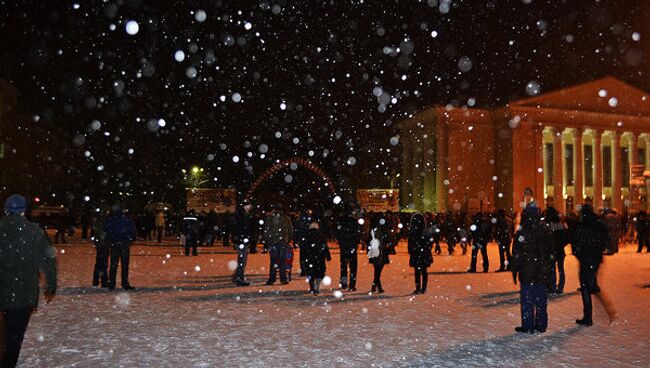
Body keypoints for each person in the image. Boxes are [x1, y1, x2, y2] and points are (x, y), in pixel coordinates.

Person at [0, 194, 57, 368]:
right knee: (14, 336)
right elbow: (48, 260)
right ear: (24, 211)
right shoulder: (34, 231)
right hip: (22, 292)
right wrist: (51, 283)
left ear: (6, 210)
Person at [511, 203, 553, 334]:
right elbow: (552, 252)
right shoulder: (545, 230)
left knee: (527, 300)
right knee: (540, 300)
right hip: (541, 272)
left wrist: (515, 270)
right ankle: (541, 324)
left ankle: (528, 324)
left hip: (527, 271)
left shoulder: (522, 232)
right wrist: (548, 267)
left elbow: (516, 254)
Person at [572, 204, 610, 326]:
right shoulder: (598, 225)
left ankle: (588, 317)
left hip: (586, 260)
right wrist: (598, 251)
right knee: (590, 284)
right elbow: (606, 240)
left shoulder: (581, 226)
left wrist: (581, 256)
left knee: (585, 288)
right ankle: (602, 308)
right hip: (595, 259)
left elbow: (575, 245)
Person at [104, 204, 137, 291]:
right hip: (124, 243)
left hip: (115, 243)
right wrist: (131, 238)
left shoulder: (112, 219)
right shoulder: (126, 219)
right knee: (124, 265)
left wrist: (111, 238)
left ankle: (112, 283)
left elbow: (107, 229)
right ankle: (124, 283)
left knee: (113, 264)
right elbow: (132, 230)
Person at [264, 207, 294, 285]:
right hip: (283, 242)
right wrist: (288, 239)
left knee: (273, 261)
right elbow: (291, 230)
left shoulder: (270, 218)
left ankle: (272, 278)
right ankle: (283, 278)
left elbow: (266, 230)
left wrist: (268, 241)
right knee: (282, 261)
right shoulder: (287, 218)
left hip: (273, 242)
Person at [334, 209, 361, 291]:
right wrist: (356, 242)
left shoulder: (340, 221)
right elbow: (358, 233)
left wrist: (340, 240)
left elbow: (336, 232)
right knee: (353, 267)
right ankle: (352, 284)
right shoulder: (354, 222)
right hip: (352, 246)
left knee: (343, 266)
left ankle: (344, 283)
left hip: (344, 246)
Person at [302, 219, 331, 294]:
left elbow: (303, 248)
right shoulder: (321, 235)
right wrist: (328, 256)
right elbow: (325, 246)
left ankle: (312, 286)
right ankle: (316, 286)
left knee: (310, 273)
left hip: (309, 257)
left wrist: (302, 258)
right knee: (319, 273)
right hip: (319, 257)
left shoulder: (306, 235)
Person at [544, 207, 569, 294]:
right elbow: (565, 238)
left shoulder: (547, 225)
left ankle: (552, 286)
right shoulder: (559, 224)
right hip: (559, 250)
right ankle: (560, 287)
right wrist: (561, 245)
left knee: (551, 269)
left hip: (551, 250)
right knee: (561, 269)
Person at [408, 213, 433, 294]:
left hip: (416, 252)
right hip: (424, 252)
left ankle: (418, 287)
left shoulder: (413, 231)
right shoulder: (425, 231)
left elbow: (410, 243)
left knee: (417, 271)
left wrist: (411, 250)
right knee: (424, 271)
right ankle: (423, 288)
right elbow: (429, 242)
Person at [232, 201, 255, 286]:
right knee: (242, 260)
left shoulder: (243, 215)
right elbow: (243, 228)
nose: (250, 207)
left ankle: (238, 276)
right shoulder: (243, 216)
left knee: (242, 259)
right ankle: (239, 278)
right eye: (249, 205)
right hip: (242, 240)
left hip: (242, 240)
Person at [367, 215, 390, 294]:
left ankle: (375, 286)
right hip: (378, 252)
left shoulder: (377, 230)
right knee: (378, 270)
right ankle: (376, 287)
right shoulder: (378, 230)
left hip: (379, 252)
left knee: (377, 270)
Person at [92, 209, 110, 288]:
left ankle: (96, 281)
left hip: (100, 244)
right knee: (103, 263)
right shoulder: (105, 221)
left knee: (99, 263)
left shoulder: (98, 220)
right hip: (103, 244)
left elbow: (96, 232)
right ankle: (104, 281)